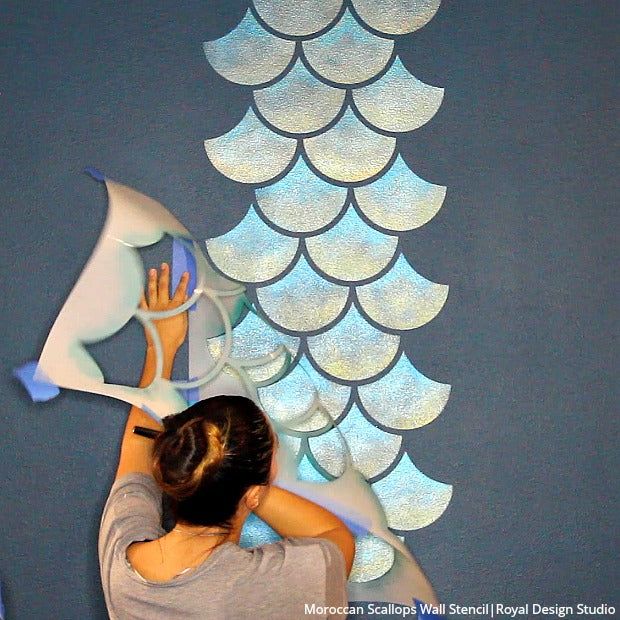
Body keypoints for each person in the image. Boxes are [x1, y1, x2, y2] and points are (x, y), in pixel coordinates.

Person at [98, 263, 355, 619]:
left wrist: (162, 347)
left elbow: (135, 464)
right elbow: (333, 535)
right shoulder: (282, 585)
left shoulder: (122, 567)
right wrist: (244, 485)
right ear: (252, 492)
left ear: (178, 470)